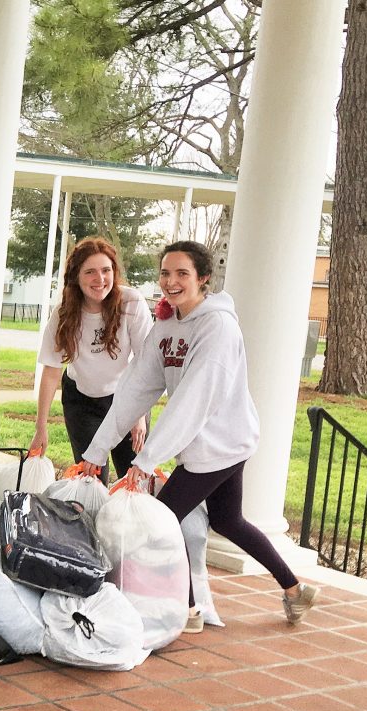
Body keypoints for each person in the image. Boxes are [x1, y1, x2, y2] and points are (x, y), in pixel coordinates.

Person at [82, 240, 318, 631]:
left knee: (162, 519)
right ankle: (295, 591)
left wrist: (145, 461)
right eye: (165, 273)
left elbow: (195, 400)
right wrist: (96, 450)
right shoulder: (168, 324)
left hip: (222, 443)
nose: (171, 281)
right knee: (228, 521)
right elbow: (137, 388)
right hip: (201, 443)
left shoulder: (218, 326)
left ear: (203, 278)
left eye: (182, 274)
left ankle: (189, 611)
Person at [31, 237, 152, 483]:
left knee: (134, 478)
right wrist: (40, 426)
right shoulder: (64, 313)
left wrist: (139, 415)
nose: (100, 279)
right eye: (90, 272)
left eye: (106, 270)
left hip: (126, 400)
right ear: (76, 277)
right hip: (82, 402)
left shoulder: (131, 303)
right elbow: (52, 369)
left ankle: (127, 522)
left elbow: (146, 362)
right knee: (90, 479)